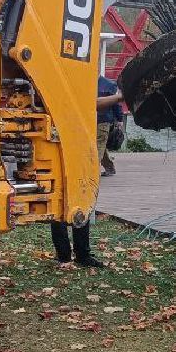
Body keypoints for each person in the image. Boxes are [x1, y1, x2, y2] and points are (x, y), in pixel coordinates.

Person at [51, 78, 124, 269]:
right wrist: (120, 101)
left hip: (65, 135)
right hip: (77, 136)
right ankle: (80, 254)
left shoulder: (60, 81)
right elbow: (94, 104)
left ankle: (65, 254)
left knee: (62, 194)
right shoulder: (96, 83)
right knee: (78, 193)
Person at [98, 73, 124, 178]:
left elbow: (116, 104)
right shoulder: (86, 82)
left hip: (103, 120)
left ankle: (92, 173)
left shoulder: (110, 84)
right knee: (100, 146)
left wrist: (120, 119)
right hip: (89, 119)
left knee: (98, 146)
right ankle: (109, 167)